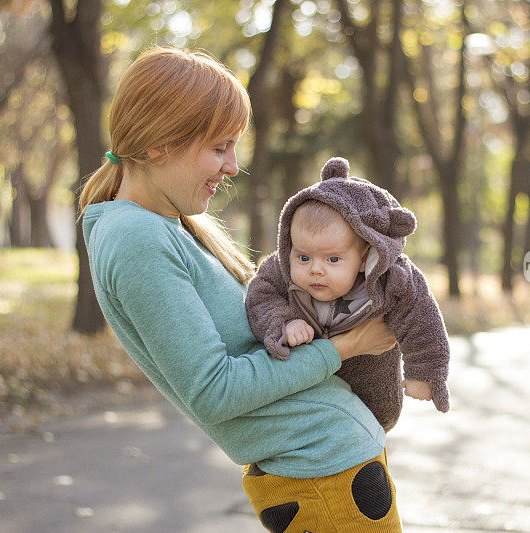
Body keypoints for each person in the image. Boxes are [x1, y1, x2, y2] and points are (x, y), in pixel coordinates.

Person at [79, 47, 403, 531]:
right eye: (219, 147)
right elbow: (214, 390)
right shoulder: (136, 237)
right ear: (156, 145)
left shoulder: (167, 227)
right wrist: (349, 345)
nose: (232, 166)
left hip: (333, 468)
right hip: (322, 474)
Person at [246, 157, 450, 432]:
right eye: (304, 257)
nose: (315, 270)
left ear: (365, 259)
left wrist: (424, 371)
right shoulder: (280, 270)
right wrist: (284, 323)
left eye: (332, 260)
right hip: (305, 397)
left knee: (368, 433)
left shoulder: (393, 280)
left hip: (372, 397)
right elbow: (261, 297)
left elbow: (422, 319)